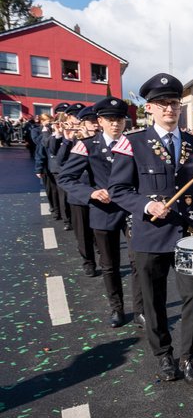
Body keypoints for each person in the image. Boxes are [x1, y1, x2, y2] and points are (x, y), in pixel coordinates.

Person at [109, 73, 193, 385]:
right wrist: (147, 204)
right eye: (162, 103)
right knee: (153, 301)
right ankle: (163, 355)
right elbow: (118, 190)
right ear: (150, 109)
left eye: (174, 103)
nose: (170, 108)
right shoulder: (133, 143)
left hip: (189, 235)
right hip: (150, 235)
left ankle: (188, 357)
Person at [59, 97, 145, 327]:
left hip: (130, 210)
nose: (115, 123)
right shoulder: (87, 145)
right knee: (109, 264)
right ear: (100, 121)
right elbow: (66, 178)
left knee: (138, 262)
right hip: (103, 211)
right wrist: (91, 193)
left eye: (119, 119)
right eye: (110, 119)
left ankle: (140, 310)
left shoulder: (135, 143)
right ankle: (116, 308)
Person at [58, 105, 98, 278]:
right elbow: (60, 161)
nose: (94, 124)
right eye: (90, 121)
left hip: (100, 192)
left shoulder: (102, 139)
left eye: (96, 121)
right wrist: (67, 139)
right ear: (83, 123)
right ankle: (88, 261)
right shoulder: (74, 139)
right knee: (82, 232)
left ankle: (104, 257)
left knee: (99, 231)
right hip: (79, 194)